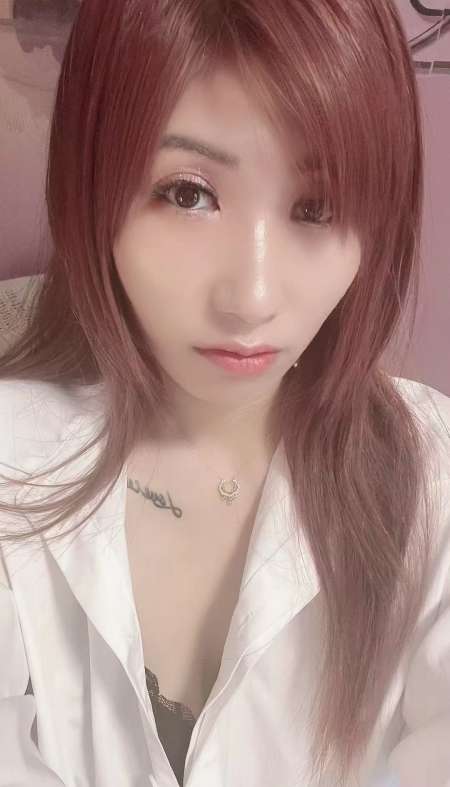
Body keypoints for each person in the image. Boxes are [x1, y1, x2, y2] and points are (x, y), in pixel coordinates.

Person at [0, 1, 449, 786]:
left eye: (318, 207)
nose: (252, 297)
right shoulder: (11, 458)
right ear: (93, 182)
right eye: (187, 193)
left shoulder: (434, 476)